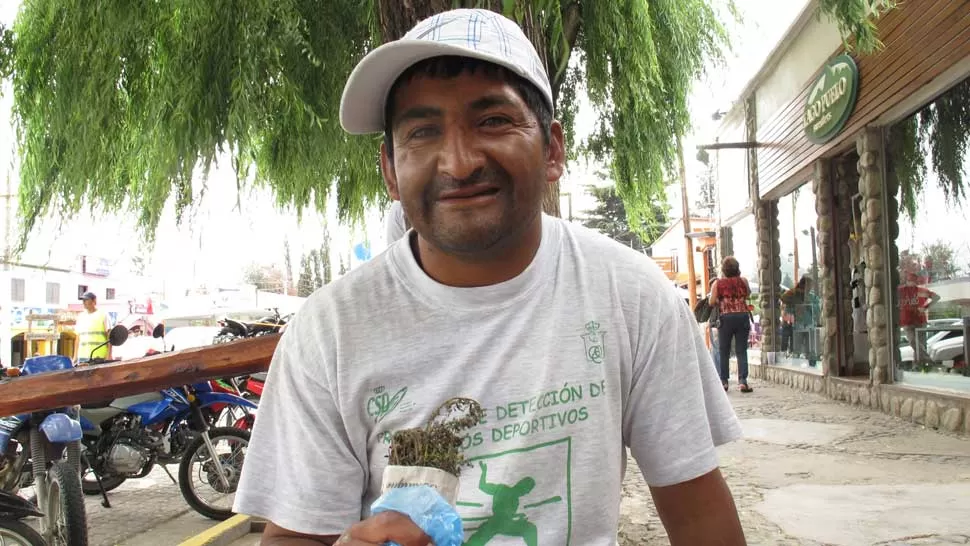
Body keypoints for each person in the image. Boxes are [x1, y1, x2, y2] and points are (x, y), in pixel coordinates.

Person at [233, 8, 745, 546]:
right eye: (423, 132)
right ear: (389, 169)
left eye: (493, 121)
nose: (457, 162)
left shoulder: (631, 295)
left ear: (552, 150)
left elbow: (699, 515)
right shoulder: (329, 333)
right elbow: (295, 536)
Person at [709, 257, 753, 393]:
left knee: (724, 350)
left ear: (724, 270)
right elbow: (748, 294)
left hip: (726, 318)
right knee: (741, 350)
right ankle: (742, 382)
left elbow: (711, 302)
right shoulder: (743, 281)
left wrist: (720, 301)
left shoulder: (718, 284)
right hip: (742, 316)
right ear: (737, 268)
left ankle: (724, 382)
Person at [74, 291, 110, 364]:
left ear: (94, 301)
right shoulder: (81, 316)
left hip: (98, 356)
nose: (84, 302)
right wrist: (75, 356)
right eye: (83, 300)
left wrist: (109, 354)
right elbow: (78, 338)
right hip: (82, 356)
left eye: (86, 300)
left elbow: (109, 337)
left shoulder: (103, 315)